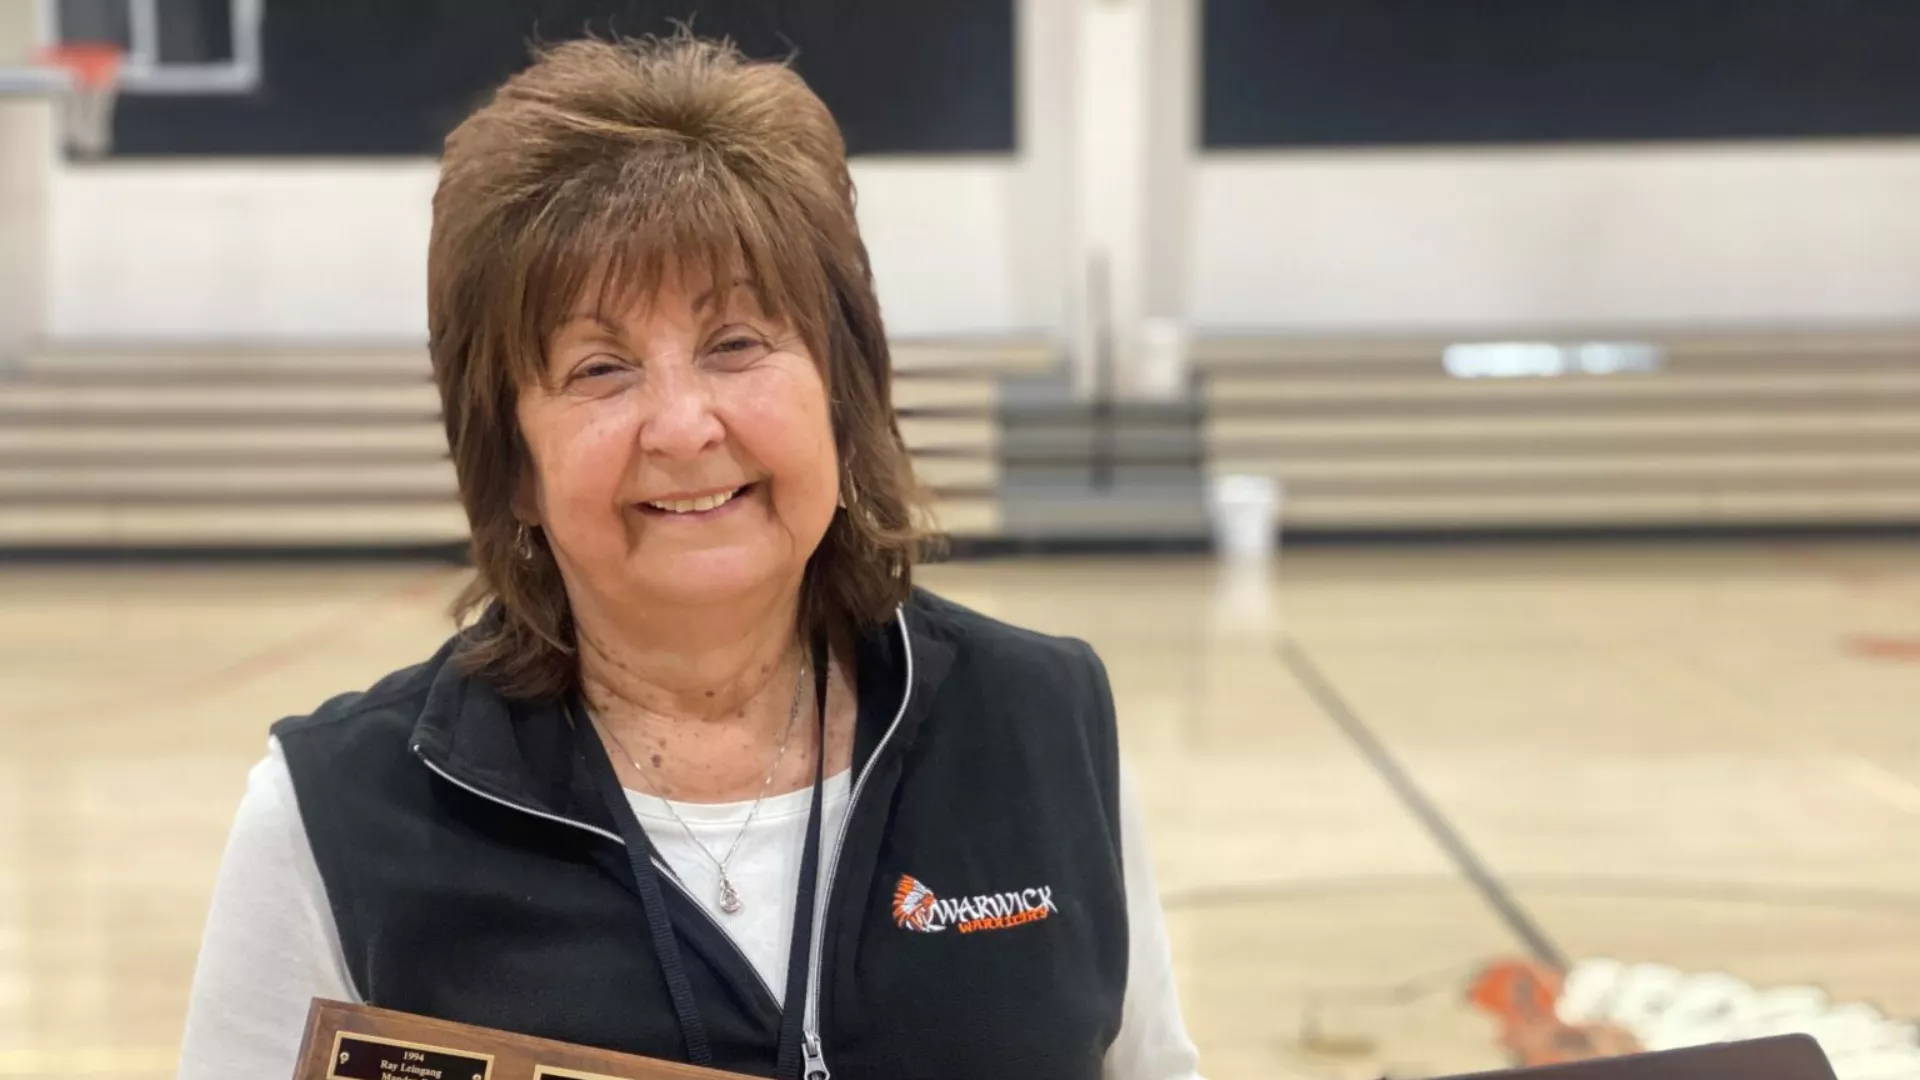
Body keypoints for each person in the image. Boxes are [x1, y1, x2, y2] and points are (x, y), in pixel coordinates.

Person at [176, 33, 1203, 1080]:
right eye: (600, 367)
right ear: (515, 467)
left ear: (842, 400)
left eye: (738, 344)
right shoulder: (335, 816)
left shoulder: (1045, 724)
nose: (680, 424)